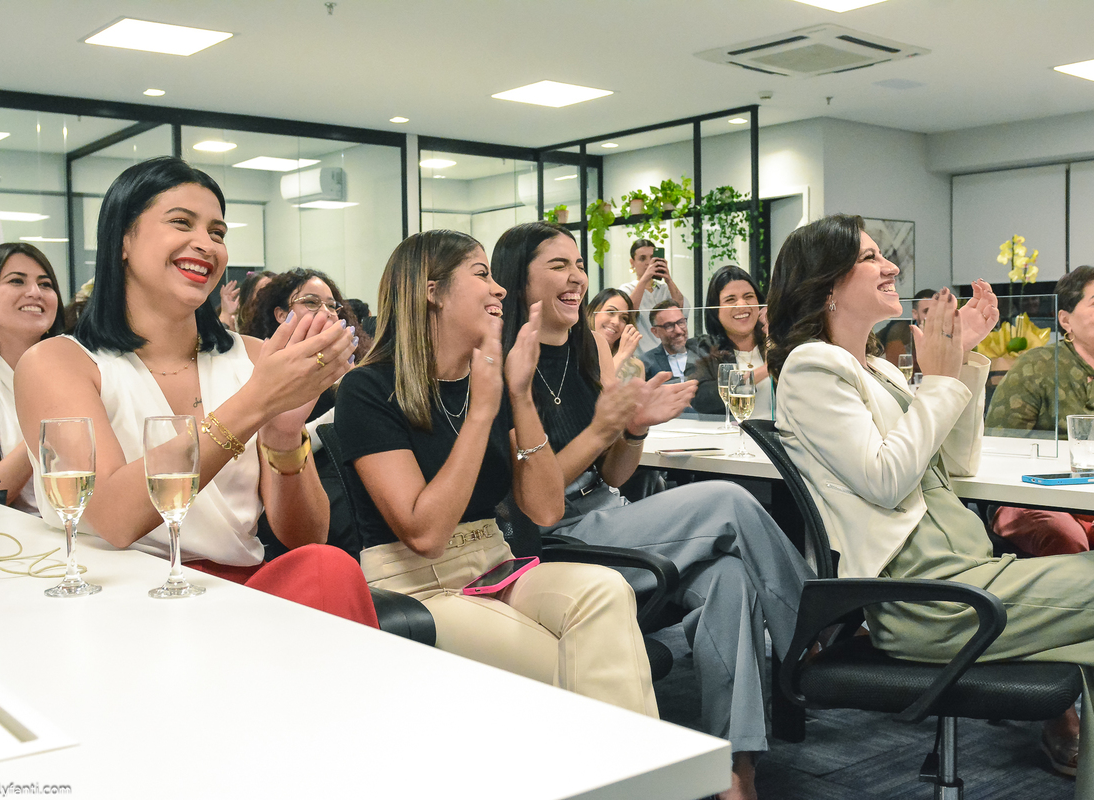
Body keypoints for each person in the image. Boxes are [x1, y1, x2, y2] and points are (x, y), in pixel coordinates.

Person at [769, 213, 1094, 798]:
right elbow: (884, 478)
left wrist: (966, 364)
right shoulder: (810, 367)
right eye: (872, 257)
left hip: (965, 575)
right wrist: (939, 382)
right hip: (926, 596)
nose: (892, 266)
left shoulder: (875, 367)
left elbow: (956, 463)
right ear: (828, 284)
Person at [492, 221, 814, 800]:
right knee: (726, 499)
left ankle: (736, 769)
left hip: (607, 511)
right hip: (554, 539)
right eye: (558, 265)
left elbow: (613, 473)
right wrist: (603, 428)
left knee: (730, 578)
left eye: (578, 265)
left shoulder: (585, 349)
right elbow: (533, 504)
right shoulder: (505, 365)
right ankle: (816, 633)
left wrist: (633, 430)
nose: (576, 278)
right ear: (520, 281)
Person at [15, 156, 376, 626]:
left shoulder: (252, 356)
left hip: (235, 593)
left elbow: (306, 536)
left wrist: (284, 437)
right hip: (116, 601)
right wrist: (256, 401)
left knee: (327, 566)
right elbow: (113, 518)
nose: (205, 244)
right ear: (123, 239)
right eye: (181, 223)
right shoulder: (57, 362)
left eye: (218, 233)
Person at [336, 229, 657, 716]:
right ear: (431, 292)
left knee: (607, 589)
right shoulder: (367, 389)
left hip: (496, 563)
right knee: (570, 662)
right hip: (415, 584)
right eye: (481, 274)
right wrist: (483, 411)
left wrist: (520, 394)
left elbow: (546, 508)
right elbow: (424, 533)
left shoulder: (489, 381)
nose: (499, 288)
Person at [986, 266, 1094, 556]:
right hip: (1037, 500)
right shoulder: (1036, 366)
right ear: (1065, 319)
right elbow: (999, 451)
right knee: (1066, 540)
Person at [238, 268, 363, 558]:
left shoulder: (353, 367)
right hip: (296, 487)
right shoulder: (264, 368)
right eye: (311, 302)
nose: (326, 312)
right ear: (282, 315)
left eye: (332, 305)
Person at [0, 243, 64, 512]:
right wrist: (45, 429)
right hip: (6, 543)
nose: (35, 293)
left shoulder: (80, 369)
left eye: (45, 284)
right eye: (17, 281)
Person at [692, 266, 771, 417]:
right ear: (716, 310)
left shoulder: (777, 342)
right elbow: (702, 399)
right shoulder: (703, 347)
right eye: (730, 299)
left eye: (748, 296)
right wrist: (765, 370)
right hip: (729, 437)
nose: (742, 305)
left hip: (778, 436)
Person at [619, 238, 687, 356]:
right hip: (641, 357)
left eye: (652, 258)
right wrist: (646, 277)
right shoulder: (626, 290)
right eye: (642, 258)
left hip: (669, 354)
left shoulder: (665, 289)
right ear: (632, 262)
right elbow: (629, 312)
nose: (648, 262)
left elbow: (680, 308)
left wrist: (668, 279)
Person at [641, 299, 706, 381]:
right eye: (669, 326)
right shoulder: (646, 363)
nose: (678, 331)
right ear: (655, 332)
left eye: (681, 322)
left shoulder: (704, 353)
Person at [586, 287, 643, 378]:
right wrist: (621, 356)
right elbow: (596, 390)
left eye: (624, 318)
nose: (616, 322)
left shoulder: (634, 366)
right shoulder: (574, 354)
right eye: (611, 312)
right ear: (593, 312)